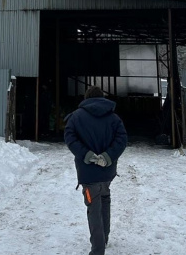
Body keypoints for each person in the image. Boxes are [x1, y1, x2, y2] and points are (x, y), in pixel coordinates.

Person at [64, 86, 128, 255]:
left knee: (94, 208)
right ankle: (104, 238)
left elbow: (69, 138)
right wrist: (107, 157)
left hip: (88, 172)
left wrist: (87, 155)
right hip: (107, 171)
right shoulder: (114, 118)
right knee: (105, 200)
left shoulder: (76, 117)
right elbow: (122, 139)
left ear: (86, 98)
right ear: (102, 98)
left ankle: (97, 250)